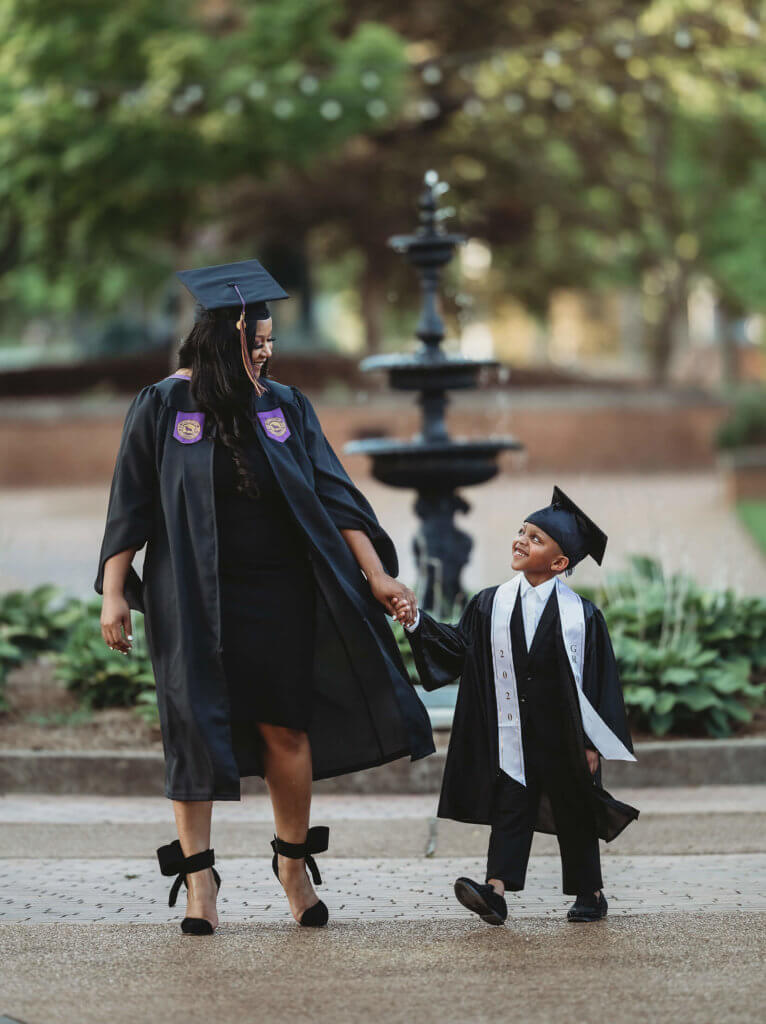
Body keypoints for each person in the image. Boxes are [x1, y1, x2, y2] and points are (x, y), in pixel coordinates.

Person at [96, 258, 434, 934]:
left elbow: (335, 494)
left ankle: (292, 865)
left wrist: (375, 573)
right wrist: (113, 592)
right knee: (191, 731)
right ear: (226, 342)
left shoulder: (284, 407)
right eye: (258, 344)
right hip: (188, 596)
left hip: (280, 594)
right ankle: (199, 884)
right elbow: (128, 504)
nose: (268, 353)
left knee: (286, 726)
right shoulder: (164, 404)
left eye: (271, 344)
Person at [393, 486, 639, 925]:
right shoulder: (489, 604)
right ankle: (495, 891)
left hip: (564, 733)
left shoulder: (582, 617)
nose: (522, 540)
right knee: (511, 804)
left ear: (559, 563)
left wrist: (592, 744)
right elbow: (456, 650)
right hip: (512, 730)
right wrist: (416, 621)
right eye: (522, 531)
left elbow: (598, 683)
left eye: (537, 538)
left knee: (574, 807)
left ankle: (590, 892)